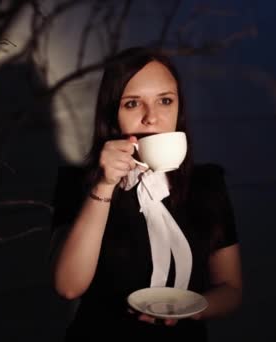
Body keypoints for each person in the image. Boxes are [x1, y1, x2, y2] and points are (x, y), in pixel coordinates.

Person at [49, 46, 242, 341]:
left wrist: (193, 310)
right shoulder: (79, 183)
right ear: (113, 114)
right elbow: (68, 287)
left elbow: (231, 288)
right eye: (132, 104)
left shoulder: (207, 183)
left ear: (179, 109)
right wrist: (104, 185)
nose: (152, 117)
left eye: (165, 100)